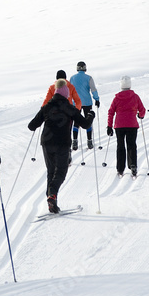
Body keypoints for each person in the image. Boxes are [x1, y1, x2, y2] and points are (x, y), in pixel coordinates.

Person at [28, 80, 96, 213]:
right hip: (62, 143)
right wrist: (91, 115)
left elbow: (31, 126)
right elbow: (85, 124)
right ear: (66, 94)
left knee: (51, 172)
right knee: (61, 172)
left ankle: (51, 200)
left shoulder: (47, 107)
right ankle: (52, 195)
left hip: (46, 142)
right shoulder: (69, 107)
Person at [107, 76, 146, 177]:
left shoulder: (116, 98)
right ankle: (133, 165)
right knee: (131, 145)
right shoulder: (135, 97)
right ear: (130, 85)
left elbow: (111, 112)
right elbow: (142, 110)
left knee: (120, 146)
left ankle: (120, 168)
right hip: (132, 125)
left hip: (119, 125)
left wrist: (109, 126)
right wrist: (140, 115)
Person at [69, 61, 100, 151]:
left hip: (76, 103)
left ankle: (75, 141)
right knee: (88, 121)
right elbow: (93, 89)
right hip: (87, 102)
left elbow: (70, 91)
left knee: (76, 122)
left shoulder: (72, 78)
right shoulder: (89, 78)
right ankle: (89, 141)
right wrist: (97, 99)